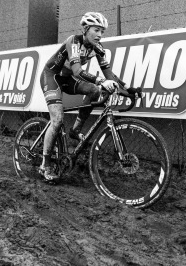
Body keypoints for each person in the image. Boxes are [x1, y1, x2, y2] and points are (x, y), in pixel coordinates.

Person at [39, 12, 126, 181]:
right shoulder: (74, 41)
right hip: (52, 77)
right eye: (96, 30)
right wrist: (101, 80)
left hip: (68, 79)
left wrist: (128, 88)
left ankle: (76, 130)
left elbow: (110, 74)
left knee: (94, 90)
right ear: (86, 29)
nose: (100, 35)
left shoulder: (98, 49)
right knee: (57, 119)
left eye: (102, 31)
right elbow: (78, 71)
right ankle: (45, 165)